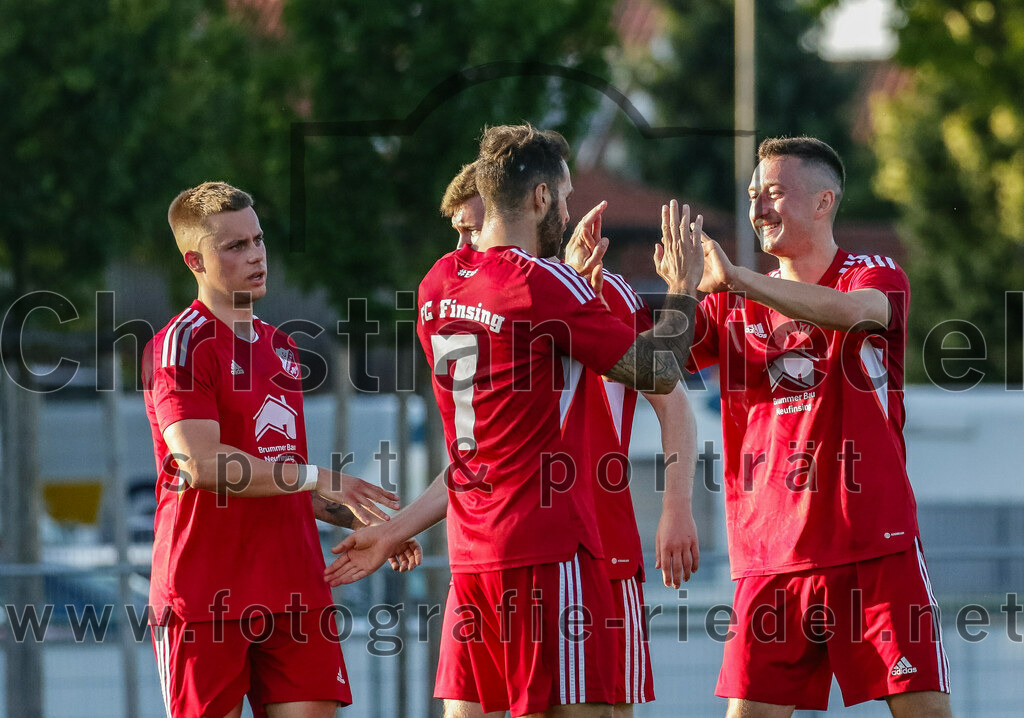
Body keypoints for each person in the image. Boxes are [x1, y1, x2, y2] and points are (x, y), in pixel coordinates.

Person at [337, 123, 703, 717]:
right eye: (561, 197)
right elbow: (661, 372)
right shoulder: (547, 285)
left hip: (473, 554)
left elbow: (482, 441)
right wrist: (682, 289)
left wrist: (394, 528)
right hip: (547, 546)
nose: (566, 210)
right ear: (539, 199)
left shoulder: (435, 286)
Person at [689, 137, 952, 716]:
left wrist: (738, 281)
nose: (759, 207)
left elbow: (861, 315)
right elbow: (648, 368)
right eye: (755, 194)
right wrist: (677, 294)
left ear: (823, 201)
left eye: (775, 193)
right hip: (771, 556)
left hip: (871, 549)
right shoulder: (728, 301)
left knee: (925, 712)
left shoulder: (871, 273)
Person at [141, 181, 412, 718]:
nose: (256, 255)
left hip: (296, 591)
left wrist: (376, 522)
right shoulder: (181, 344)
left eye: (258, 240)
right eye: (234, 246)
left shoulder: (282, 347)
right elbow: (203, 465)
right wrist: (318, 477)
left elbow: (279, 476)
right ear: (194, 259)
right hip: (206, 595)